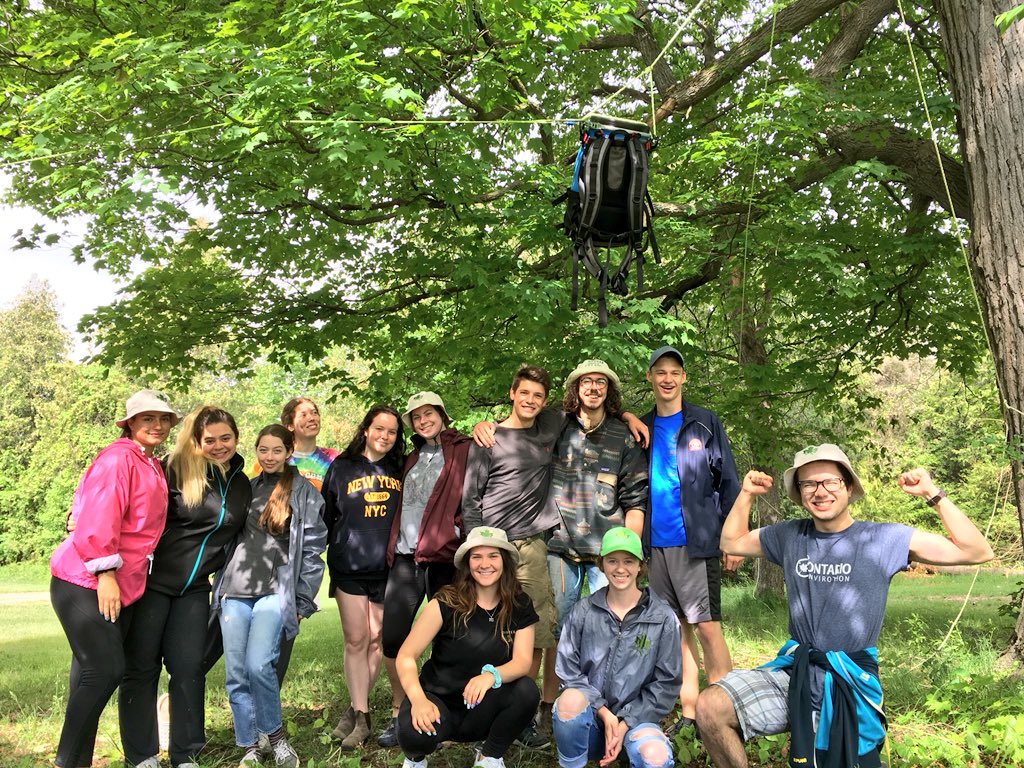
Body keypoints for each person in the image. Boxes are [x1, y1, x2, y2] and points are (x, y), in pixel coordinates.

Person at [698, 444, 995, 768]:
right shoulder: (790, 535)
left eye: (830, 482)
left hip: (849, 679)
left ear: (849, 486)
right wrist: (746, 494)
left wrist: (932, 494)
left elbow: (976, 551)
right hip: (796, 674)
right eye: (808, 483)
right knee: (711, 707)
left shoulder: (884, 539)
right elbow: (731, 542)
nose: (819, 491)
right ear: (800, 493)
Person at [49, 390, 177, 768]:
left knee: (87, 675)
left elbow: (84, 501)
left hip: (124, 583)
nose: (156, 425)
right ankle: (65, 762)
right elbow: (100, 514)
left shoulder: (149, 462)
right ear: (130, 423)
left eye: (163, 418)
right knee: (105, 669)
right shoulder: (119, 458)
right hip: (85, 581)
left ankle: (76, 761)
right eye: (147, 418)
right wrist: (105, 574)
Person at [120, 405, 252, 768]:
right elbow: (125, 498)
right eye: (210, 440)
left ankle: (185, 754)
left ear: (236, 438)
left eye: (226, 438)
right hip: (152, 583)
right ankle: (142, 755)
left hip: (195, 588)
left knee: (189, 667)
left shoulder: (241, 482)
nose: (220, 445)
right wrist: (79, 513)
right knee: (142, 667)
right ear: (197, 441)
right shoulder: (173, 469)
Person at [462, 364, 565, 748]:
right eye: (525, 393)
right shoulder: (488, 438)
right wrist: (477, 548)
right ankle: (478, 709)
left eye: (538, 396)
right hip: (492, 546)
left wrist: (624, 415)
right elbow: (471, 497)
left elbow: (591, 407)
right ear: (512, 393)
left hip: (532, 546)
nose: (531, 401)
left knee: (534, 633)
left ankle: (521, 714)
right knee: (484, 629)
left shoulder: (550, 426)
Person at [541, 360, 648, 731]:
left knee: (611, 629)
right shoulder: (556, 427)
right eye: (586, 382)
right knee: (559, 629)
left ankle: (612, 708)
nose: (593, 388)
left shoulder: (624, 436)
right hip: (560, 547)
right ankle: (549, 706)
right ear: (576, 388)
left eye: (601, 382)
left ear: (609, 391)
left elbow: (635, 500)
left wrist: (625, 553)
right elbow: (519, 425)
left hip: (606, 552)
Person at [212, 424, 328, 768]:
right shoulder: (245, 489)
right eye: (263, 450)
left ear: (289, 451)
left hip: (275, 591)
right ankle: (249, 745)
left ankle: (275, 738)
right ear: (256, 451)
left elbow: (311, 549)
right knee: (236, 671)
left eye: (277, 450)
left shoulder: (304, 492)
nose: (269, 456)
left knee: (259, 663)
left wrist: (304, 600)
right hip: (234, 589)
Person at [640, 345, 740, 735]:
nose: (667, 378)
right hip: (655, 547)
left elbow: (727, 481)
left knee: (707, 627)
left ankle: (728, 712)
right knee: (676, 628)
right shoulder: (642, 428)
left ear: (684, 378)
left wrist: (733, 540)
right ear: (650, 378)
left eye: (674, 372)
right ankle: (691, 712)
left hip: (696, 542)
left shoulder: (704, 423)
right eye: (659, 372)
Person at [395, 526, 540, 768]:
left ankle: (489, 755)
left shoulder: (520, 603)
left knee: (527, 692)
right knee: (412, 734)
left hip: (483, 707)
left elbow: (523, 661)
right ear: (467, 563)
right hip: (437, 702)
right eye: (477, 557)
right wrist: (419, 700)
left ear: (504, 561)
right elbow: (405, 656)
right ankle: (415, 761)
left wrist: (491, 676)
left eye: (493, 556)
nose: (485, 564)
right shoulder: (446, 601)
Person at [378, 392, 472, 748]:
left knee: (450, 636)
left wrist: (460, 531)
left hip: (446, 557)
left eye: (428, 413)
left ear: (442, 414)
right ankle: (400, 707)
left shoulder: (464, 447)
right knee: (393, 636)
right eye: (416, 417)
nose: (422, 421)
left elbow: (473, 492)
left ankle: (447, 710)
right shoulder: (410, 458)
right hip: (406, 558)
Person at [553, 527, 680, 768]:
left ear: (640, 565)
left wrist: (625, 721)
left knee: (655, 756)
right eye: (612, 560)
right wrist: (603, 711)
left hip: (637, 723)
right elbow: (567, 671)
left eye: (628, 561)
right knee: (568, 702)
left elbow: (666, 682)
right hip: (590, 719)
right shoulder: (583, 611)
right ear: (601, 564)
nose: (620, 569)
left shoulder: (662, 617)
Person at [322, 405, 404, 749]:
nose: (385, 436)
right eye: (379, 429)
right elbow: (325, 516)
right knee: (356, 639)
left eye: (392, 432)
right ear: (366, 429)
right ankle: (362, 717)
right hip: (350, 566)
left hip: (387, 567)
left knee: (376, 641)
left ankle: (357, 709)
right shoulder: (341, 468)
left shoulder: (401, 468)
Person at [252, 397, 339, 492]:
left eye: (314, 413)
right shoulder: (271, 459)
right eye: (303, 415)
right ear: (290, 426)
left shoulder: (333, 457)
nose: (311, 418)